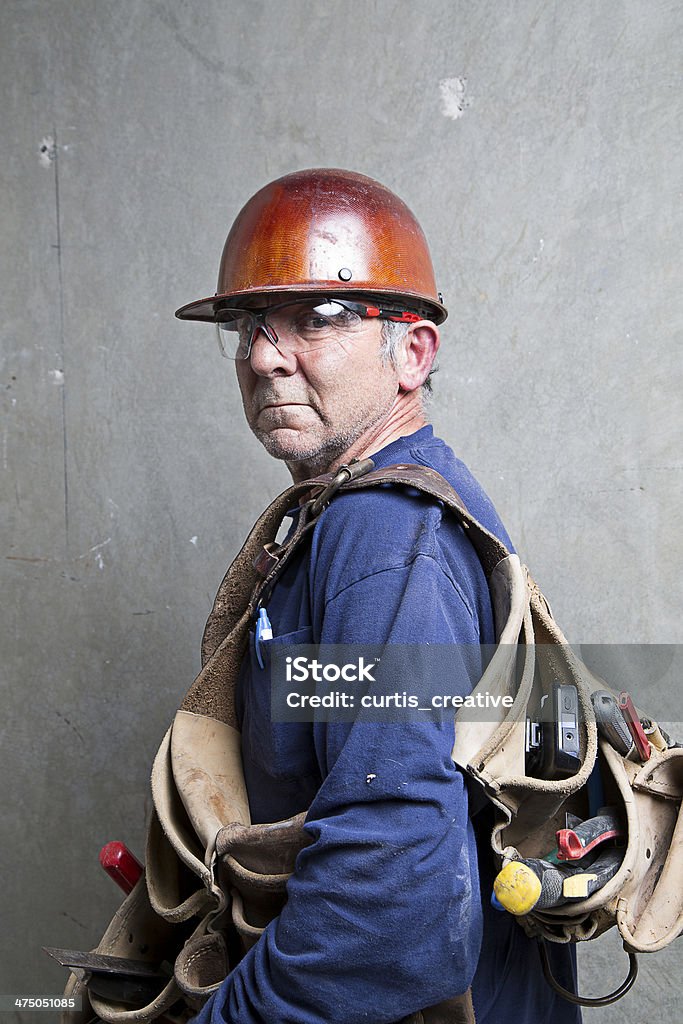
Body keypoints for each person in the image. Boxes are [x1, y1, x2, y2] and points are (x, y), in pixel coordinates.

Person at [175, 168, 581, 1024]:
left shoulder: (388, 535)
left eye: (317, 320)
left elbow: (388, 906)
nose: (261, 356)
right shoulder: (352, 514)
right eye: (249, 325)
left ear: (414, 352)